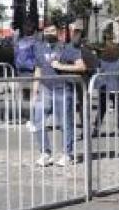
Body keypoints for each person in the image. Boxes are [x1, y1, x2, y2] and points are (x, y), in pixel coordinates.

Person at [34, 25, 86, 167]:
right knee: (37, 121)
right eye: (46, 31)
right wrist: (35, 90)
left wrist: (61, 67)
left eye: (52, 30)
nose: (48, 33)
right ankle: (45, 153)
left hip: (63, 89)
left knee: (65, 124)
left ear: (59, 33)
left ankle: (67, 154)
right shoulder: (39, 48)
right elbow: (38, 69)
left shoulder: (68, 48)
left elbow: (81, 67)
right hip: (45, 89)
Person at [92, 43, 119, 136]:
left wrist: (97, 85)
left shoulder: (101, 61)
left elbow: (98, 73)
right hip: (116, 87)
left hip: (104, 87)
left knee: (101, 109)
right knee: (118, 109)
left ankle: (96, 128)